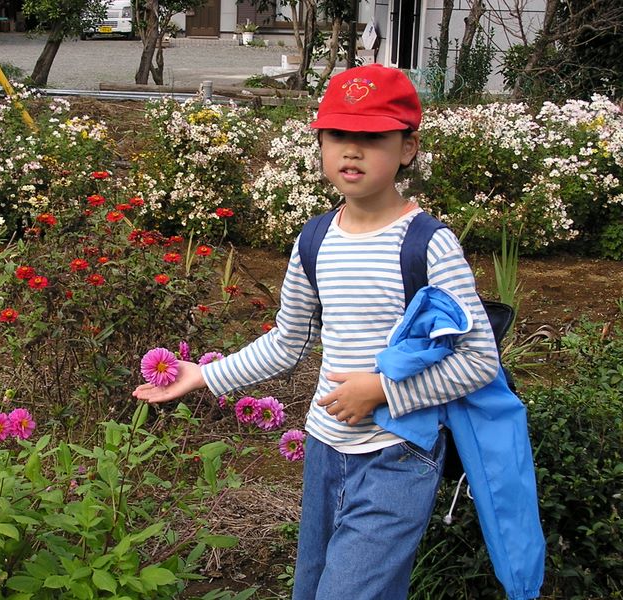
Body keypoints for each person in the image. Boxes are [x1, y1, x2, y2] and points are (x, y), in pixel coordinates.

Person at [133, 64, 500, 599]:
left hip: (400, 453)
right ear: (321, 142)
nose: (352, 150)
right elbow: (288, 340)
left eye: (372, 136)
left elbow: (478, 361)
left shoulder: (428, 245)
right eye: (338, 135)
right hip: (326, 450)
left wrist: (382, 389)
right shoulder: (315, 240)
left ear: (408, 147)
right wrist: (204, 376)